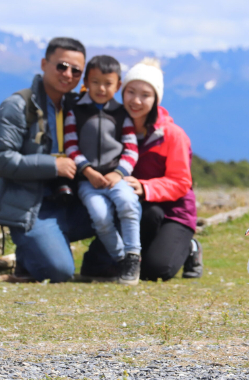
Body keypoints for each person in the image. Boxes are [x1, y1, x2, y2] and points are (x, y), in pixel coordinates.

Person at [82, 58, 203, 281]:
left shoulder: (173, 135)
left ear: (156, 99)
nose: (136, 100)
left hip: (174, 213)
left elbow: (181, 182)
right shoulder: (114, 126)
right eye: (131, 92)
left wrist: (145, 187)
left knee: (157, 270)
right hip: (141, 210)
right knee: (92, 267)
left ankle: (189, 247)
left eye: (145, 95)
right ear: (122, 91)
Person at [0, 37, 92, 283]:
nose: (68, 74)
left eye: (76, 70)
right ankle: (33, 251)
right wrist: (54, 166)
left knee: (126, 212)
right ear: (44, 64)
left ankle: (93, 262)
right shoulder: (17, 106)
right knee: (60, 273)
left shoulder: (77, 106)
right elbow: (1, 159)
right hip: (31, 207)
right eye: (61, 66)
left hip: (69, 201)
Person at [63, 55, 142, 285]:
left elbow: (131, 150)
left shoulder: (122, 114)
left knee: (128, 206)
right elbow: (70, 145)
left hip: (117, 178)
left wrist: (119, 173)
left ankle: (133, 255)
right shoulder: (74, 112)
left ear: (118, 85)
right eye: (95, 82)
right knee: (100, 217)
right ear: (86, 81)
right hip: (88, 181)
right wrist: (87, 171)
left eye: (108, 83)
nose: (101, 88)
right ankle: (123, 261)